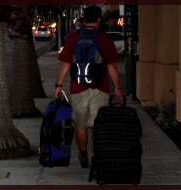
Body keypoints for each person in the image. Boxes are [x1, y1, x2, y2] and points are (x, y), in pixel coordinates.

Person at [54, 5, 123, 168]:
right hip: (100, 88)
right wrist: (118, 87)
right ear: (99, 19)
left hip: (78, 88)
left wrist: (58, 85)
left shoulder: (73, 37)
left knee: (80, 124)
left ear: (84, 18)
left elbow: (64, 65)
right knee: (98, 125)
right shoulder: (104, 38)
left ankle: (83, 154)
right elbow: (112, 67)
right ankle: (96, 156)